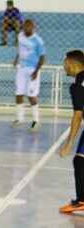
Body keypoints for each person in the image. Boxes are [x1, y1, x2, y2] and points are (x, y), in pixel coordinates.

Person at [58, 50, 84, 214]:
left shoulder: (78, 85)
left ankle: (81, 201)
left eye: (65, 63)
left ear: (74, 64)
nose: (64, 67)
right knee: (80, 161)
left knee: (79, 161)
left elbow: (77, 115)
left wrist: (68, 143)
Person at [11, 19, 45, 131]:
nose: (26, 29)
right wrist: (16, 59)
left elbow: (42, 58)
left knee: (31, 96)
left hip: (32, 70)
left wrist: (36, 71)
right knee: (18, 94)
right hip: (21, 69)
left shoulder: (38, 41)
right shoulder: (20, 35)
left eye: (29, 27)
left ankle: (36, 121)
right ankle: (20, 118)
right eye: (24, 27)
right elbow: (20, 50)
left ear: (33, 27)